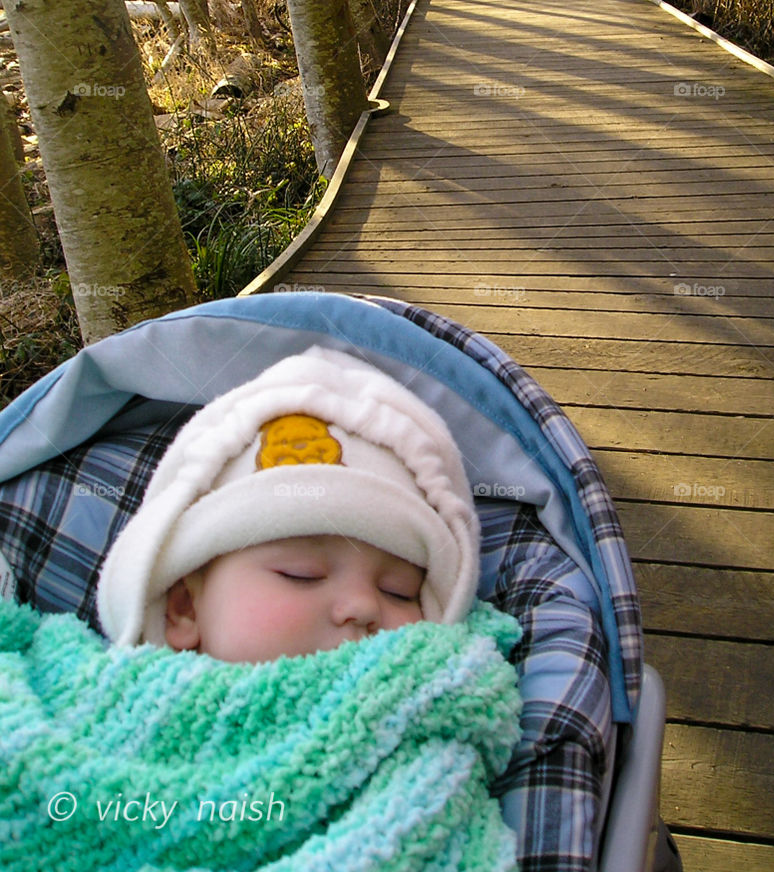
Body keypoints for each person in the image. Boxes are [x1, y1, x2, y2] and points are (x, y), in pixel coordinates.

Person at [0, 347, 524, 872]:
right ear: (184, 608)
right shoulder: (74, 690)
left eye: (400, 591)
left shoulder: (425, 717)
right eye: (302, 574)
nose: (365, 606)